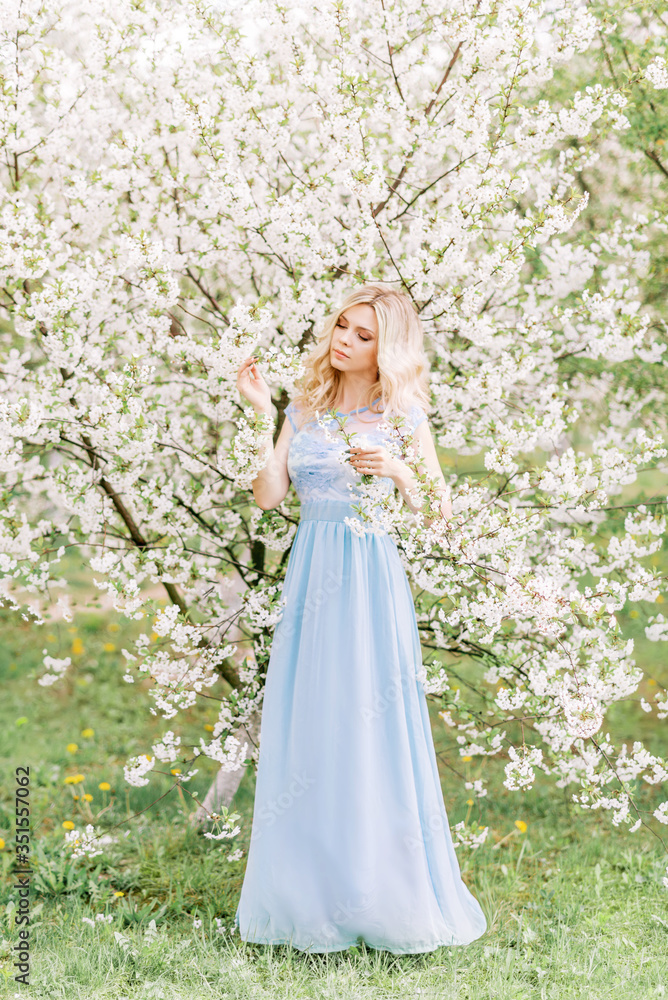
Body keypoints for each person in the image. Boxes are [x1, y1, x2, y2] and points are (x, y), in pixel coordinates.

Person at [233, 283, 487, 953]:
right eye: (342, 326)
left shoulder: (403, 413)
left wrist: (401, 471)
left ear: (387, 350)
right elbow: (267, 498)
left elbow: (440, 513)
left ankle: (382, 890)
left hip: (370, 577)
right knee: (312, 720)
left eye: (363, 334)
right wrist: (262, 416)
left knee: (369, 724)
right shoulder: (305, 406)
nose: (344, 339)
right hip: (312, 571)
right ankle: (311, 887)